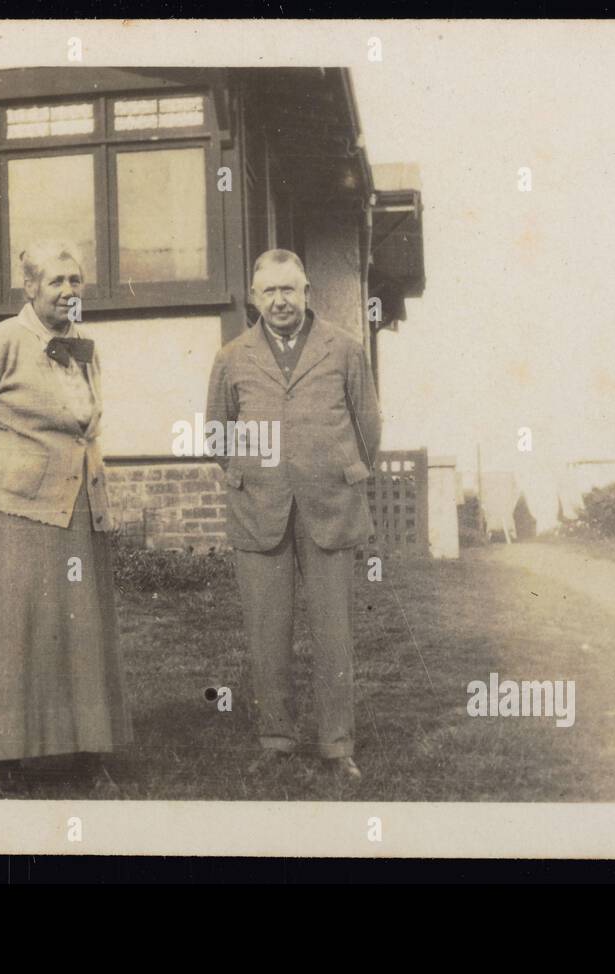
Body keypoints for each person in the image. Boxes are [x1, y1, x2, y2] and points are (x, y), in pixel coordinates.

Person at [0, 241, 131, 795]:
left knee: (80, 635)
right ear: (29, 288)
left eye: (76, 281)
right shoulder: (2, 341)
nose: (69, 292)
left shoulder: (86, 348)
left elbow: (83, 428)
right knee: (14, 635)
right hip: (16, 516)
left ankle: (85, 752)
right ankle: (5, 759)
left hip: (77, 510)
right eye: (57, 282)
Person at [205, 248, 382, 782]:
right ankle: (277, 738)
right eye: (269, 291)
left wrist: (338, 468)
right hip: (260, 507)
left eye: (290, 289)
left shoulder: (346, 350)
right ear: (254, 299)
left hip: (329, 505)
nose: (280, 300)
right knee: (267, 631)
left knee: (334, 632)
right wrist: (252, 472)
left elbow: (368, 427)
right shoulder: (231, 357)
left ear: (307, 293)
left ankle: (336, 744)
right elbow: (217, 433)